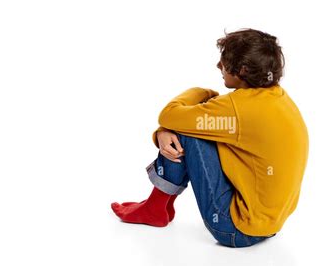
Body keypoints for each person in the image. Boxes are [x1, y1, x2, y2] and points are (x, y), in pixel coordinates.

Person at [111, 28, 309, 248]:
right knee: (195, 125)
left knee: (186, 131)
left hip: (235, 230)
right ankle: (157, 207)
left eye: (223, 61)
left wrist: (201, 92)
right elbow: (195, 118)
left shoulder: (236, 108)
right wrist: (162, 132)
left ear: (242, 70)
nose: (218, 66)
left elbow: (169, 115)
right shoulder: (277, 97)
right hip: (271, 224)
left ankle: (155, 207)